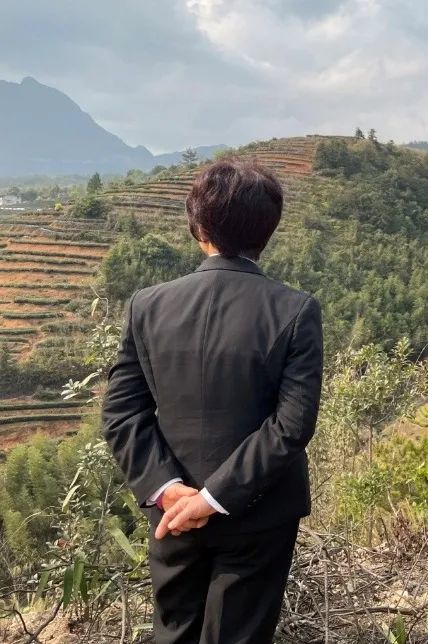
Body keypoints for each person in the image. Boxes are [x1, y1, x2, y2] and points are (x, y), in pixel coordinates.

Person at [101, 159, 323, 643]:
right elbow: (290, 426)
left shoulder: (148, 305)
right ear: (267, 230)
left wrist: (167, 489)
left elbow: (121, 413)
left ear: (198, 226)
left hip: (173, 515)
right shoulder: (295, 310)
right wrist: (215, 497)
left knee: (174, 630)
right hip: (258, 514)